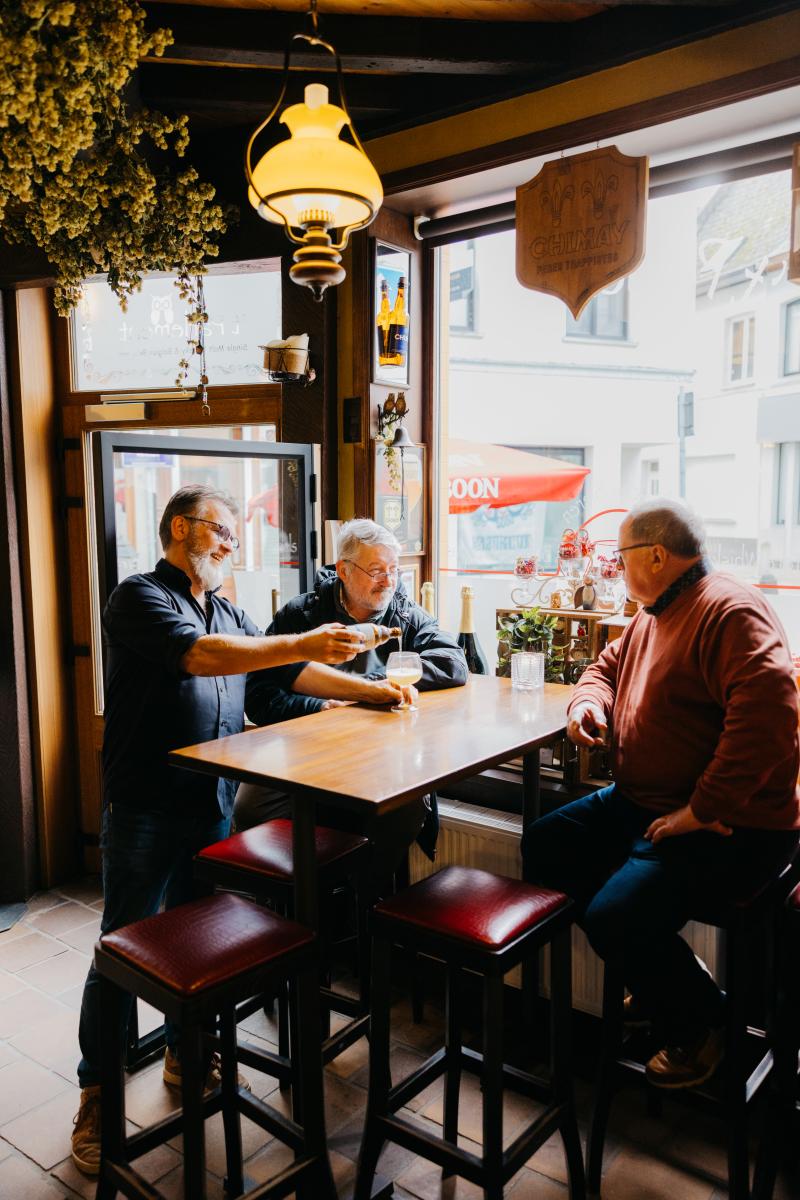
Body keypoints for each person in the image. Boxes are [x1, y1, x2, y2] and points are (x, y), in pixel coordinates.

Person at [72, 483, 378, 1175]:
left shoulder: (229, 607)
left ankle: (187, 1055)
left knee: (199, 945)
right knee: (120, 949)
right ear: (180, 528)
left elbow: (290, 665)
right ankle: (98, 1093)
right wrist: (300, 638)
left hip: (208, 803)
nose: (232, 547)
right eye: (222, 533)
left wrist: (373, 689)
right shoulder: (138, 597)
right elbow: (202, 656)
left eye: (236, 538)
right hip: (145, 804)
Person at [522, 499, 800, 1089]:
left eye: (620, 556)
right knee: (546, 846)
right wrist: (589, 704)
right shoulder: (655, 610)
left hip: (732, 826)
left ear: (654, 555)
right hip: (646, 803)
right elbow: (604, 667)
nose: (614, 567)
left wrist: (703, 809)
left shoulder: (727, 609)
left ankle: (703, 1024)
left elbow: (772, 714)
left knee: (615, 917)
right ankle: (661, 984)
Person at [235, 518, 469, 882]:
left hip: (386, 757)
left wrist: (363, 686)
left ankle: (361, 904)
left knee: (405, 814)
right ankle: (303, 899)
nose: (389, 581)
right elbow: (258, 693)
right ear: (343, 570)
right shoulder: (301, 615)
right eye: (376, 570)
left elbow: (454, 663)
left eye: (394, 569)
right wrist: (320, 706)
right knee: (250, 806)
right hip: (306, 752)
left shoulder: (404, 614)